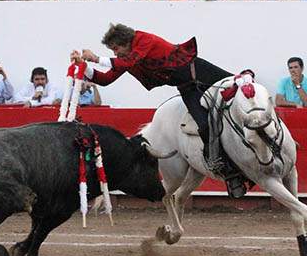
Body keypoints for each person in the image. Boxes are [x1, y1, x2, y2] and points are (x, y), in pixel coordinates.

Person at [71, 24, 247, 198]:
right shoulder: (127, 58)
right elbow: (105, 79)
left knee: (241, 88)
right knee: (204, 127)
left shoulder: (143, 40)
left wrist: (95, 59)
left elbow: (128, 61)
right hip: (188, 88)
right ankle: (231, 175)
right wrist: (84, 66)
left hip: (200, 71)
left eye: (116, 48)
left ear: (126, 42)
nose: (115, 53)